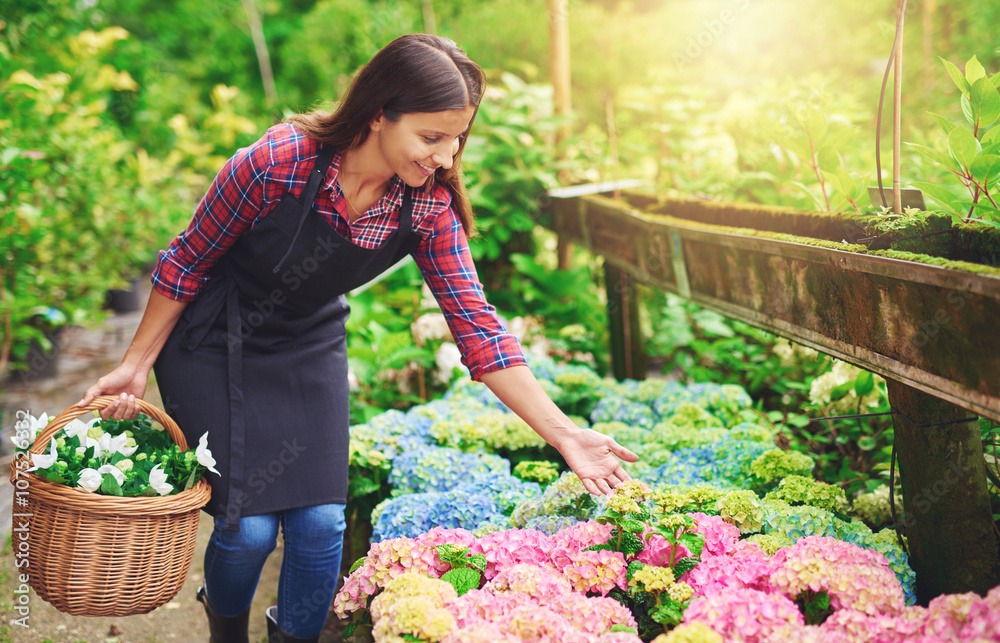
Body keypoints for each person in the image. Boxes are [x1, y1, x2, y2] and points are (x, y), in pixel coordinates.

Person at [80, 33, 638, 643]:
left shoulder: (427, 209)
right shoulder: (275, 163)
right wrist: (136, 364)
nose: (447, 158)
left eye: (457, 139)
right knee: (249, 529)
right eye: (431, 137)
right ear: (378, 113)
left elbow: (478, 330)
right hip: (214, 337)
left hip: (306, 338)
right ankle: (227, 630)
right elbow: (186, 261)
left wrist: (564, 434)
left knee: (321, 523)